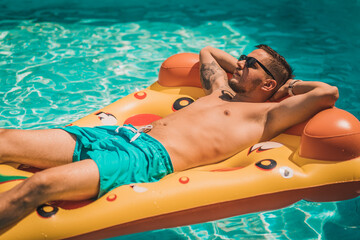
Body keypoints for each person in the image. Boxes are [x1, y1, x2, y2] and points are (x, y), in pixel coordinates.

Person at [0, 44, 338, 228]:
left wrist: (285, 88)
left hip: (142, 159)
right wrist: (252, 66)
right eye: (244, 57)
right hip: (119, 134)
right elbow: (207, 51)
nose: (240, 63)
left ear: (268, 85)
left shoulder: (268, 114)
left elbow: (327, 93)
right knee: (4, 139)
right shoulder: (219, 90)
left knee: (38, 186)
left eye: (251, 64)